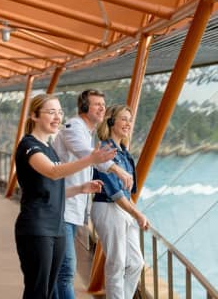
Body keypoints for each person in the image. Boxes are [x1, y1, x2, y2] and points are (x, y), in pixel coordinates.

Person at [14, 93, 116, 299]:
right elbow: (52, 171)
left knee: (51, 291)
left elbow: (52, 189)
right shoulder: (29, 146)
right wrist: (91, 159)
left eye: (60, 112)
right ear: (34, 116)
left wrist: (80, 188)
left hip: (57, 227)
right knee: (38, 291)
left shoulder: (49, 149)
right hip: (37, 228)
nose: (57, 117)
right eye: (51, 112)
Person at [52, 90, 133, 299]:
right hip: (62, 208)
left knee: (60, 272)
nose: (101, 108)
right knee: (66, 272)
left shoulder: (85, 133)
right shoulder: (73, 128)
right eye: (96, 104)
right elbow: (88, 156)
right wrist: (117, 169)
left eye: (103, 105)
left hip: (71, 207)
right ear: (84, 107)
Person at [91, 104, 150, 299]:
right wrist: (138, 214)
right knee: (117, 263)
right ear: (111, 121)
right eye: (123, 119)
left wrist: (134, 212)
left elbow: (128, 192)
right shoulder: (105, 150)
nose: (128, 124)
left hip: (123, 210)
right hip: (107, 208)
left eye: (130, 119)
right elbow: (116, 193)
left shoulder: (124, 153)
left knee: (135, 263)